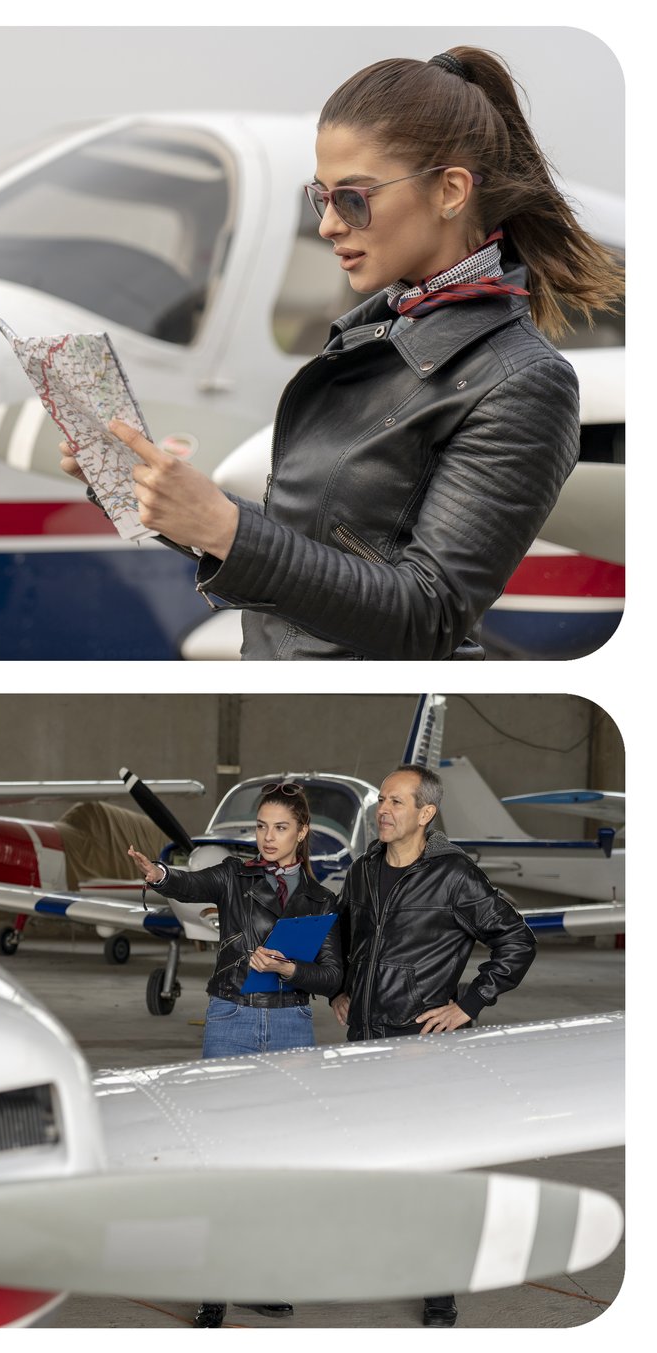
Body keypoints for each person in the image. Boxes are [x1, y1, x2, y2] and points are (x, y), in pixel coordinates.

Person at [68, 48, 623, 659]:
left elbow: (428, 616)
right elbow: (306, 546)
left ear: (451, 191)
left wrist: (225, 527)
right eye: (321, 198)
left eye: (352, 198)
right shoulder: (373, 336)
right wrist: (141, 485)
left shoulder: (524, 383)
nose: (329, 225)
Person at [128, 781, 343, 1328]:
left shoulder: (322, 901)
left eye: (279, 828)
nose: (267, 838)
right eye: (260, 827)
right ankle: (213, 1287)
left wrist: (290, 970)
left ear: (301, 833)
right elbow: (188, 879)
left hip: (293, 1023)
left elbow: (333, 974)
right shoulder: (232, 875)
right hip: (232, 1019)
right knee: (217, 1154)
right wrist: (159, 875)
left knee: (278, 1161)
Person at [331, 763, 536, 1326]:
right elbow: (345, 937)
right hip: (363, 1040)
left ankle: (438, 1290)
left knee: (430, 1171)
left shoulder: (455, 877)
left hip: (419, 1043)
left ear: (426, 813)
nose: (384, 810)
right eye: (381, 801)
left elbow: (516, 941)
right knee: (367, 1160)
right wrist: (340, 990)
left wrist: (469, 1003)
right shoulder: (363, 871)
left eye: (397, 802)